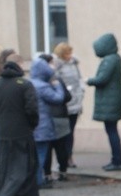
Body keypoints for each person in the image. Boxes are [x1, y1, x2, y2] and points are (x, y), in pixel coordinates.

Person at [0, 56, 40, 196]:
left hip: (2, 134)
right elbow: (32, 109)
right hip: (22, 132)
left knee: (5, 168)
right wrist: (32, 124)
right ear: (19, 66)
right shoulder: (25, 85)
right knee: (23, 167)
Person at [87, 32, 121, 171]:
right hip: (113, 100)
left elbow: (102, 79)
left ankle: (117, 161)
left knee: (112, 131)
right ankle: (116, 160)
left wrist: (89, 80)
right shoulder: (116, 58)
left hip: (109, 100)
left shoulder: (110, 60)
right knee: (112, 130)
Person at [30, 56, 66, 188]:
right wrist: (57, 86)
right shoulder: (43, 86)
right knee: (41, 154)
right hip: (43, 125)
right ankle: (38, 182)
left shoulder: (29, 83)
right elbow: (58, 99)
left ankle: (35, 180)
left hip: (32, 125)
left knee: (34, 155)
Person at [40, 53, 72, 183]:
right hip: (60, 117)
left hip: (46, 118)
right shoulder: (56, 80)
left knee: (47, 148)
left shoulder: (37, 82)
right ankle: (63, 172)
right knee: (61, 147)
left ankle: (47, 174)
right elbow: (67, 97)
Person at [52, 43, 84, 169]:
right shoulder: (56, 65)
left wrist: (81, 91)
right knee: (63, 132)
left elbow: (79, 79)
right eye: (67, 53)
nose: (70, 55)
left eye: (70, 53)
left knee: (71, 131)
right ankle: (63, 158)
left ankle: (69, 156)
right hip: (63, 103)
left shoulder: (74, 63)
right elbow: (56, 82)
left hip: (75, 100)